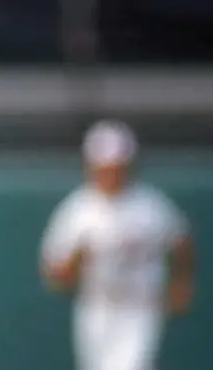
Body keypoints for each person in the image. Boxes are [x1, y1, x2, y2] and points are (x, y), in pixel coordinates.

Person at [39, 120, 195, 370]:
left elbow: (181, 240)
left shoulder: (150, 205)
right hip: (98, 308)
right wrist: (76, 261)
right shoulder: (78, 210)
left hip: (140, 307)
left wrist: (181, 282)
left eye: (116, 166)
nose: (111, 174)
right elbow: (55, 277)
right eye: (104, 167)